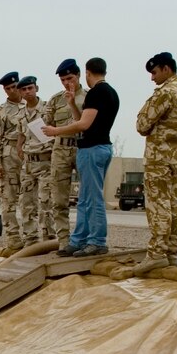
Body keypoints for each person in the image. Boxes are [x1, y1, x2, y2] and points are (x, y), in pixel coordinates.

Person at [43, 56, 119, 255]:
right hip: (92, 147)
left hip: (93, 149)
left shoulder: (96, 93)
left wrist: (56, 131)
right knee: (85, 199)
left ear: (85, 73)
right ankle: (79, 240)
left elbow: (84, 125)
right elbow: (84, 119)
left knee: (93, 199)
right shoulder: (111, 93)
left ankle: (97, 241)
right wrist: (72, 104)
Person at [134, 51, 177, 266]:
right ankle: (171, 252)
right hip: (176, 157)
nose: (152, 78)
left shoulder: (165, 93)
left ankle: (156, 254)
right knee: (173, 204)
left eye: (154, 72)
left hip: (158, 157)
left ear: (166, 69)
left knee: (158, 204)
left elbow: (142, 125)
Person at [41, 61, 86, 242]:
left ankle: (84, 238)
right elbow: (45, 124)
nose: (67, 83)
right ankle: (64, 240)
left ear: (78, 76)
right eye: (63, 80)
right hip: (60, 149)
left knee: (86, 197)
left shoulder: (89, 97)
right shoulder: (55, 100)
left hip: (82, 147)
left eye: (70, 78)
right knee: (59, 198)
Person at [13, 76, 51, 242]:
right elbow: (21, 134)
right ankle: (31, 238)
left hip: (46, 161)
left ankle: (50, 237)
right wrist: (19, 148)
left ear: (37, 88)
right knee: (26, 203)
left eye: (30, 88)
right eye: (24, 89)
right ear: (20, 92)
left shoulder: (48, 109)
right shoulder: (20, 114)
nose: (27, 92)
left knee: (46, 202)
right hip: (28, 163)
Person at [0, 72, 24, 241]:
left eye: (13, 87)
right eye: (7, 89)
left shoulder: (33, 105)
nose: (11, 91)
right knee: (8, 200)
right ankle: (13, 239)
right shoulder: (2, 111)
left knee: (32, 200)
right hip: (9, 155)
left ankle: (34, 237)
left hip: (31, 156)